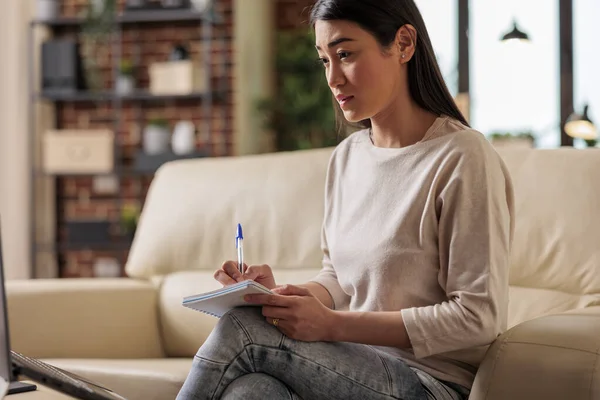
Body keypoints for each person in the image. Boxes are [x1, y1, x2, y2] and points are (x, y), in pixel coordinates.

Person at [176, 0, 514, 399]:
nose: (333, 78)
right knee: (253, 391)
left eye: (346, 54)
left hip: (430, 384)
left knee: (244, 332)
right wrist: (285, 297)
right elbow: (337, 277)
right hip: (350, 366)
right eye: (324, 60)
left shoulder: (463, 158)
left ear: (403, 44)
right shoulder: (348, 157)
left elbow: (477, 318)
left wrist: (333, 325)